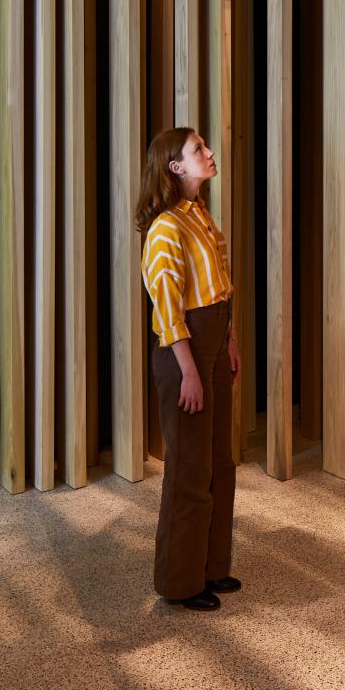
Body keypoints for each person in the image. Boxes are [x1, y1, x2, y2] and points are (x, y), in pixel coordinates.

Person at [134, 126, 242, 613]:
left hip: (214, 340)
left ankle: (211, 566)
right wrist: (191, 371)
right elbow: (166, 307)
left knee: (220, 460)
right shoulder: (166, 228)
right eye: (199, 149)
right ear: (175, 167)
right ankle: (179, 582)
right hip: (184, 351)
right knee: (189, 468)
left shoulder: (200, 215)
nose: (209, 152)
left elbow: (218, 282)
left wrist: (229, 341)